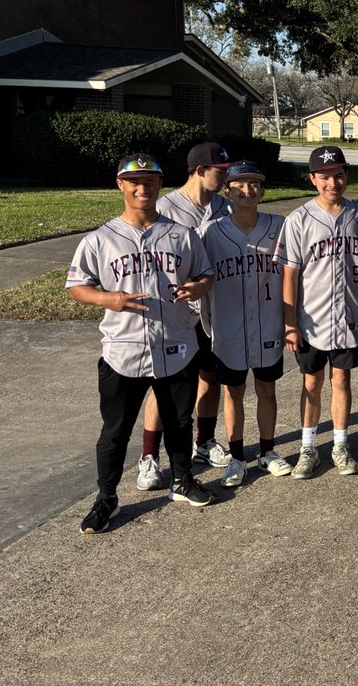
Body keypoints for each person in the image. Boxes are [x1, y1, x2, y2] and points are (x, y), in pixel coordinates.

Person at [67, 153, 215, 533]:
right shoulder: (101, 239)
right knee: (115, 430)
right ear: (121, 185)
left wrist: (196, 286)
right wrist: (108, 299)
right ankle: (107, 500)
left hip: (176, 343)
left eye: (150, 182)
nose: (142, 188)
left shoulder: (182, 235)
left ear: (159, 186)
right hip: (124, 349)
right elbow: (77, 286)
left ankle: (182, 481)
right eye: (134, 182)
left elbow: (206, 275)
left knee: (179, 420)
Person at [135, 141, 231, 490]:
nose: (225, 176)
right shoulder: (166, 208)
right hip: (176, 313)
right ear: (201, 171)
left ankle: (204, 443)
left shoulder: (223, 206)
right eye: (220, 171)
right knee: (164, 385)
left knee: (210, 375)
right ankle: (149, 457)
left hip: (215, 309)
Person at [275, 146, 358, 479]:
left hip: (349, 316)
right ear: (313, 178)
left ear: (347, 175)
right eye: (325, 176)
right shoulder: (299, 219)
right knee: (311, 383)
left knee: (341, 381)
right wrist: (289, 324)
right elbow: (289, 275)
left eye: (339, 174)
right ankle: (308, 448)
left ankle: (341, 446)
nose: (333, 182)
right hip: (310, 319)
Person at [197, 161, 293, 486]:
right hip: (229, 329)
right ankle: (237, 458)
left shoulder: (280, 226)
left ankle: (267, 451)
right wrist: (210, 327)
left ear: (263, 191)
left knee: (267, 388)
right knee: (233, 392)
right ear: (228, 192)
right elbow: (202, 284)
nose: (247, 190)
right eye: (239, 185)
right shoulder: (212, 232)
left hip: (268, 325)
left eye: (254, 184)